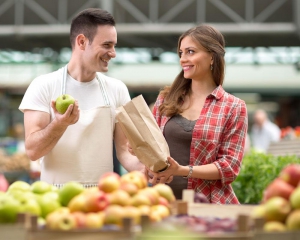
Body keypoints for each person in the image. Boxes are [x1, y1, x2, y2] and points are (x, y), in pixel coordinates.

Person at [19, 8, 144, 188]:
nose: (113, 53)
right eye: (107, 45)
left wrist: (143, 169)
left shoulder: (117, 89)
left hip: (102, 196)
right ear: (82, 42)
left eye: (114, 46)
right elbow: (33, 151)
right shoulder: (43, 85)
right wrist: (59, 124)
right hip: (55, 198)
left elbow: (124, 151)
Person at [147, 25, 248, 204]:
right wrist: (141, 148)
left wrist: (183, 170)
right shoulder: (165, 100)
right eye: (181, 53)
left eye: (190, 52)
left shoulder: (233, 107)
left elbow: (229, 167)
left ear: (212, 56)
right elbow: (153, 148)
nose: (183, 59)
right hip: (161, 203)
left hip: (208, 204)